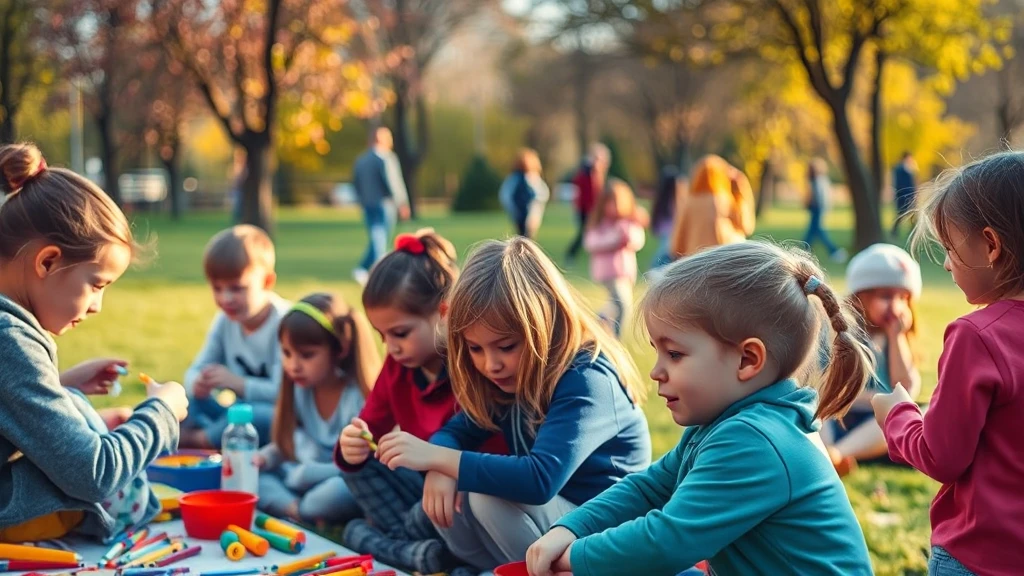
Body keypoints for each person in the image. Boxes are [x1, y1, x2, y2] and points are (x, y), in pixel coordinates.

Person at [526, 241, 875, 576]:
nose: (656, 371)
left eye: (674, 354)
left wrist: (574, 558)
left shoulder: (755, 440)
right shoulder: (725, 423)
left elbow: (666, 542)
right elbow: (649, 488)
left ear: (747, 360)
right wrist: (572, 528)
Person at [375, 237, 651, 572]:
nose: (491, 364)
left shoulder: (586, 378)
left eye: (505, 346)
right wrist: (439, 468)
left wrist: (439, 458)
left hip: (606, 536)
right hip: (555, 528)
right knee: (463, 481)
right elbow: (456, 430)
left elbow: (539, 480)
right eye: (475, 349)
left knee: (484, 491)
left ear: (544, 324)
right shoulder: (511, 378)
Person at [0, 143, 188, 542]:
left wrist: (60, 386)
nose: (97, 306)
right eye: (96, 285)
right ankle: (134, 507)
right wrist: (161, 413)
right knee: (94, 442)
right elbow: (93, 474)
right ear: (47, 261)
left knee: (74, 405)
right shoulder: (9, 338)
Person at [872, 151, 1024, 576]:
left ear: (991, 245)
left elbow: (942, 456)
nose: (945, 263)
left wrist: (897, 415)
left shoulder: (977, 336)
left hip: (980, 556)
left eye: (951, 248)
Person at [335, 229, 504, 575]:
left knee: (429, 507)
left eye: (400, 333)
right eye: (381, 336)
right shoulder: (397, 367)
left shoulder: (472, 365)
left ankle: (386, 544)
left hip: (468, 492)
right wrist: (351, 445)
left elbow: (494, 456)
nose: (391, 347)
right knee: (362, 463)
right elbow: (371, 427)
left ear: (443, 314)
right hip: (425, 488)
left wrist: (447, 469)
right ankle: (419, 552)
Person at [256, 293, 381, 524]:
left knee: (332, 494)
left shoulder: (356, 398)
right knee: (256, 477)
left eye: (307, 355)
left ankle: (299, 508)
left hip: (338, 479)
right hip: (298, 476)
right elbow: (287, 445)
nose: (293, 366)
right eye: (286, 353)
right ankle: (295, 509)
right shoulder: (300, 390)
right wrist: (265, 457)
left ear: (340, 349)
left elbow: (363, 468)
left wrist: (307, 474)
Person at [180, 225, 291, 449]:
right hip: (235, 415)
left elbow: (284, 394)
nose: (226, 298)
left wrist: (237, 383)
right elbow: (194, 371)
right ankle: (194, 435)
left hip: (276, 415)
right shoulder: (224, 321)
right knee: (184, 402)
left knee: (260, 416)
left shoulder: (285, 324)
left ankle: (196, 441)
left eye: (237, 288)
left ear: (267, 282)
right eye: (217, 288)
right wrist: (197, 383)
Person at [821, 244, 922, 476]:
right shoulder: (844, 336)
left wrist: (896, 338)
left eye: (903, 298)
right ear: (858, 299)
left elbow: (905, 389)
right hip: (839, 416)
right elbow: (827, 387)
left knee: (911, 418)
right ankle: (827, 452)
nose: (895, 306)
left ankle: (836, 455)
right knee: (816, 412)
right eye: (886, 296)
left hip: (874, 426)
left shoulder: (896, 339)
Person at [584, 178, 647, 337]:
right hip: (608, 272)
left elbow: (638, 240)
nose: (614, 207)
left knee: (615, 304)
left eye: (617, 202)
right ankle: (616, 340)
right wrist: (613, 240)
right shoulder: (600, 223)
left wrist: (628, 237)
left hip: (625, 271)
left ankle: (598, 322)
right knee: (623, 305)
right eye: (610, 203)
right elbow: (590, 243)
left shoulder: (627, 223)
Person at [352, 127, 411, 286]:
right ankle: (376, 269)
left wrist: (361, 200)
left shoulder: (361, 160)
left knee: (375, 235)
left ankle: (363, 268)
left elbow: (356, 183)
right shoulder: (386, 158)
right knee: (380, 236)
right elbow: (393, 183)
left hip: (367, 203)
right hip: (384, 204)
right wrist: (402, 203)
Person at [669, 155, 755, 258]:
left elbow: (676, 244)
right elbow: (747, 226)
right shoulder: (725, 200)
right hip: (724, 256)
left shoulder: (689, 203)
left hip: (696, 259)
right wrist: (741, 187)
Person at [565, 143, 610, 265]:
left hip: (592, 208)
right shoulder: (586, 173)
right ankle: (571, 254)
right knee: (584, 233)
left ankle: (595, 251)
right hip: (586, 209)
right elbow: (588, 193)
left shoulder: (595, 173)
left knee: (590, 231)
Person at [499, 148, 550, 239]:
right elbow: (543, 193)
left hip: (526, 211)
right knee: (526, 236)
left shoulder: (520, 178)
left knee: (524, 236)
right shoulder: (524, 178)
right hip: (524, 211)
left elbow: (505, 195)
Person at [803, 158, 847, 262]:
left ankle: (835, 251)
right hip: (818, 209)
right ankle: (804, 250)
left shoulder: (816, 180)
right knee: (813, 232)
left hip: (817, 209)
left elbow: (816, 196)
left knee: (818, 231)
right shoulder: (821, 180)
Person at [648, 166, 685, 270]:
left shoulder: (660, 201)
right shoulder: (676, 202)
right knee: (665, 255)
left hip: (665, 233)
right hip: (671, 234)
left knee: (664, 256)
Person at [891, 152, 917, 238]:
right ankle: (894, 232)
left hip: (909, 194)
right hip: (903, 195)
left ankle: (912, 231)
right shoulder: (899, 169)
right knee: (901, 214)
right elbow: (900, 183)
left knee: (912, 214)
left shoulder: (908, 168)